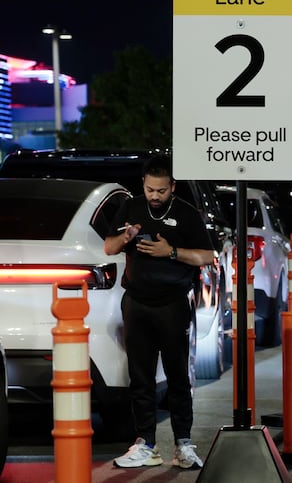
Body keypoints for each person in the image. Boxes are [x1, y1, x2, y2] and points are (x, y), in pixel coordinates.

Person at [105, 153, 214, 470]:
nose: (154, 196)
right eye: (150, 189)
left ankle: (183, 445)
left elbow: (207, 256)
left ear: (172, 187)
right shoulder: (131, 206)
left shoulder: (187, 214)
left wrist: (172, 252)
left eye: (161, 191)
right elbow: (109, 248)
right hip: (137, 302)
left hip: (173, 303)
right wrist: (124, 236)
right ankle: (145, 444)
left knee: (178, 376)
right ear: (143, 184)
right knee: (140, 377)